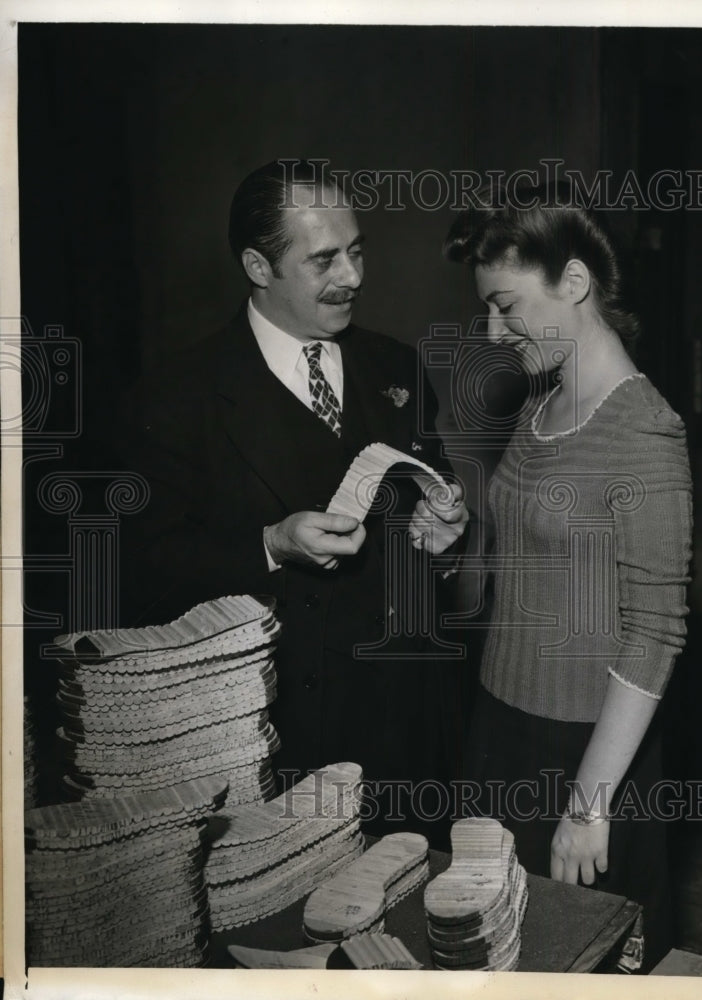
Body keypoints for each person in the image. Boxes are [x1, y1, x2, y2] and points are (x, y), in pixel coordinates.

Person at [116, 159, 468, 841]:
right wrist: (269, 545)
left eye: (358, 251)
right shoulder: (174, 397)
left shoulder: (395, 367)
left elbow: (435, 506)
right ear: (257, 265)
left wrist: (444, 535)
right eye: (325, 260)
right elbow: (142, 570)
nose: (354, 277)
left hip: (405, 730)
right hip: (277, 733)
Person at [444, 184, 692, 971]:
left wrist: (588, 804)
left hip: (585, 755)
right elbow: (519, 565)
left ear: (574, 284)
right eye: (485, 309)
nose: (493, 331)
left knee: (575, 961)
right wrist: (456, 539)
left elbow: (655, 633)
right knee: (486, 955)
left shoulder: (644, 432)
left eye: (507, 307)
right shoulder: (538, 404)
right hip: (498, 731)